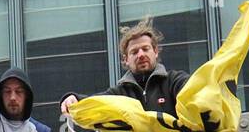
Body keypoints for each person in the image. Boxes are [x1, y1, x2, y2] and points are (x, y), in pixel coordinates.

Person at [60, 19, 191, 121]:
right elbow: (96, 102)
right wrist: (74, 99)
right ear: (126, 59)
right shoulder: (119, 93)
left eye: (145, 49)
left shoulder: (174, 81)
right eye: (134, 52)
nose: (141, 55)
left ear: (156, 52)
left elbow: (197, 90)